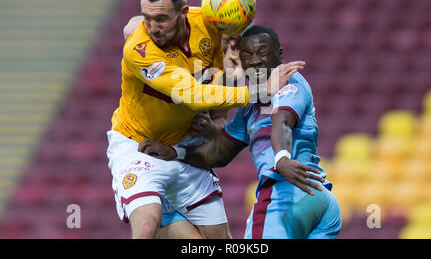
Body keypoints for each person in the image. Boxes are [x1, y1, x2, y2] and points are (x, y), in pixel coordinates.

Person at [107, 0, 305, 239]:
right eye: (148, 18)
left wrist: (220, 117)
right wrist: (259, 90)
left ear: (184, 12)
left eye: (162, 19)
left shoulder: (210, 23)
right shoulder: (139, 50)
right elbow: (191, 95)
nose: (152, 28)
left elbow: (221, 70)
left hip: (184, 145)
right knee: (146, 224)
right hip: (137, 145)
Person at [139, 24, 342, 239]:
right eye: (247, 55)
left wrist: (281, 158)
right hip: (316, 198)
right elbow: (221, 152)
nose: (254, 61)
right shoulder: (250, 107)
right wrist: (176, 153)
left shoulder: (290, 83)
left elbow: (282, 121)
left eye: (262, 53)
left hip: (287, 193)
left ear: (279, 54)